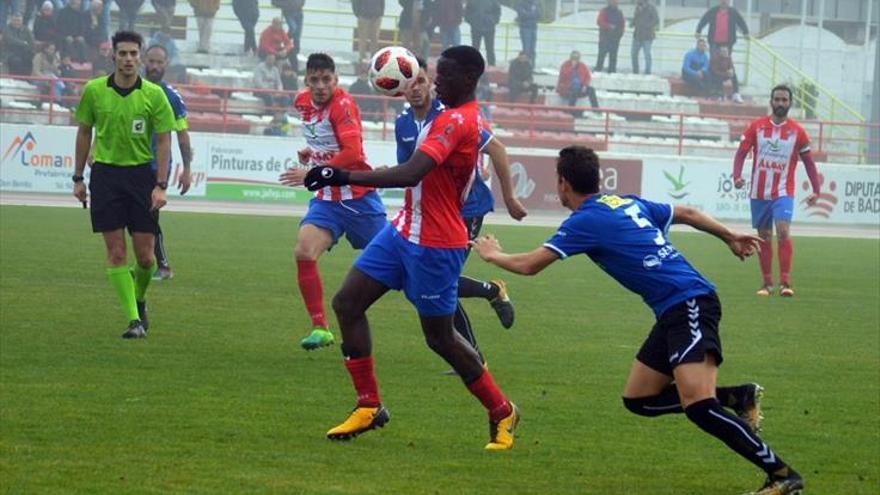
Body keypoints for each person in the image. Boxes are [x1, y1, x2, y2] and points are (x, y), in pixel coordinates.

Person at [472, 145, 806, 495]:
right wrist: (729, 236)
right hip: (673, 309)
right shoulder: (623, 201)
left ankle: (783, 475)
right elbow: (687, 212)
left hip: (689, 302)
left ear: (563, 183)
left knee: (699, 407)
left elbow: (530, 265)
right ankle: (739, 397)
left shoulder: (585, 220)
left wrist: (494, 256)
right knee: (640, 399)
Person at [280, 46, 520, 450]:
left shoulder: (460, 121)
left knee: (440, 339)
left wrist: (335, 173)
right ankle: (369, 405)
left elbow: (410, 174)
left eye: (442, 75)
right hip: (402, 230)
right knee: (347, 304)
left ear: (467, 79)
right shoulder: (439, 113)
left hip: (435, 243)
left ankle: (502, 410)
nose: (434, 79)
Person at [394, 56, 527, 368]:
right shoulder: (403, 125)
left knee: (440, 286)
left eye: (422, 82)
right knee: (420, 287)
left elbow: (497, 149)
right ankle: (491, 291)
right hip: (431, 215)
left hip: (468, 208)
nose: (415, 90)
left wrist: (509, 197)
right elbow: (408, 172)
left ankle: (474, 359)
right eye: (409, 84)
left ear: (431, 84)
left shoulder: (452, 117)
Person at [72, 30, 175, 339]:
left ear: (140, 57)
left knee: (146, 259)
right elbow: (83, 133)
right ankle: (134, 320)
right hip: (105, 177)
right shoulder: (94, 91)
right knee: (117, 253)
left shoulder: (154, 95)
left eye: (133, 54)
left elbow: (164, 140)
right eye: (123, 53)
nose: (128, 59)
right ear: (112, 56)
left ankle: (139, 299)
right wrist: (78, 178)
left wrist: (161, 185)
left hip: (141, 178)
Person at [285, 53, 388, 350]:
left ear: (336, 80)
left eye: (326, 79)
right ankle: (320, 328)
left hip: (359, 198)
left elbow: (353, 153)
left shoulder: (343, 105)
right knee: (304, 251)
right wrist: (311, 150)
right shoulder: (302, 101)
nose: (320, 86)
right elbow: (326, 140)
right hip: (328, 200)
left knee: (406, 266)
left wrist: (313, 170)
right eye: (314, 80)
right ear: (306, 81)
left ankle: (480, 292)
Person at [733, 85, 821, 297]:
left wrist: (816, 189)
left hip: (783, 191)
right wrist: (737, 176)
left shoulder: (798, 132)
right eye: (777, 99)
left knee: (782, 231)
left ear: (790, 103)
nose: (781, 103)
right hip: (759, 192)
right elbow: (741, 153)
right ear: (771, 102)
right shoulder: (756, 127)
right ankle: (766, 284)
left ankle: (785, 283)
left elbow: (809, 163)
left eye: (784, 100)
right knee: (764, 237)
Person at [144, 44, 193, 280]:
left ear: (166, 65)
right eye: (151, 61)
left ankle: (162, 265)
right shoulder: (131, 89)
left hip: (156, 165)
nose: (154, 66)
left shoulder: (171, 97)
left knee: (150, 214)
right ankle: (150, 262)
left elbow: (182, 135)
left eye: (159, 62)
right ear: (144, 61)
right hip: (129, 161)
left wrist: (188, 168)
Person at [464, 0, 499, 66]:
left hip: (489, 28)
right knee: (475, 48)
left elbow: (497, 11)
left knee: (490, 48)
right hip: (476, 28)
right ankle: (473, 64)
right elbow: (467, 12)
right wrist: (471, 21)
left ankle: (491, 64)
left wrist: (494, 20)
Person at [272, 0, 303, 70]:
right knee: (293, 28)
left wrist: (300, 4)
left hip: (299, 12)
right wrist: (286, 5)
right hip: (288, 12)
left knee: (297, 34)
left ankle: (296, 51)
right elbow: (274, 2)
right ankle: (285, 41)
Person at [595, 0, 624, 73]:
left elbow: (622, 24)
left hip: (614, 38)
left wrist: (620, 34)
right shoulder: (604, 11)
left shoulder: (619, 12)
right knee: (601, 56)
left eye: (615, 2)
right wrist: (609, 26)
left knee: (613, 57)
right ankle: (598, 69)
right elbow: (599, 21)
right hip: (605, 38)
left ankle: (612, 71)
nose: (614, 3)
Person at [631, 0, 658, 75]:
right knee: (633, 54)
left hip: (647, 36)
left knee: (647, 54)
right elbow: (635, 18)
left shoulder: (651, 8)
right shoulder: (637, 8)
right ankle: (635, 71)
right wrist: (632, 23)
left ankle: (647, 72)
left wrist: (647, 26)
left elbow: (656, 20)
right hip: (637, 35)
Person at [514, 0, 540, 68]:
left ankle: (532, 67)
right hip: (525, 28)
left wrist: (529, 14)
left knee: (533, 49)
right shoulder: (521, 3)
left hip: (534, 27)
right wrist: (532, 14)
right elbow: (522, 15)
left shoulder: (535, 3)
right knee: (526, 49)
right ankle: (525, 67)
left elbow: (539, 14)